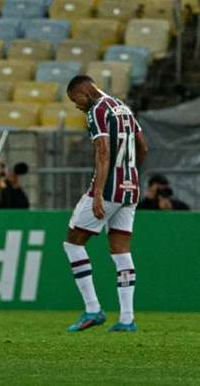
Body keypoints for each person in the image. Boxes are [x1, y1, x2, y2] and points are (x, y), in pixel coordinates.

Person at [63, 75, 147, 333]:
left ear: (84, 91)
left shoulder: (97, 110)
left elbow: (103, 151)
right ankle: (126, 319)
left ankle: (92, 309)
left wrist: (98, 193)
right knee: (121, 252)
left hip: (108, 189)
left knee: (72, 243)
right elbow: (143, 147)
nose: (76, 105)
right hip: (131, 189)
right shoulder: (123, 107)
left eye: (75, 99)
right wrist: (130, 174)